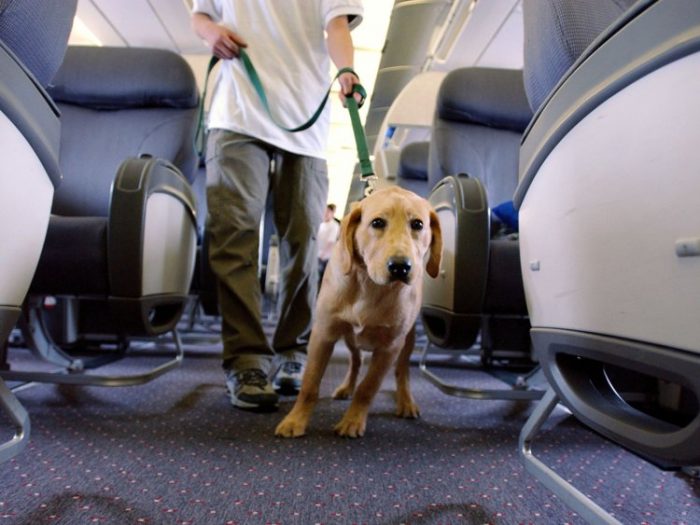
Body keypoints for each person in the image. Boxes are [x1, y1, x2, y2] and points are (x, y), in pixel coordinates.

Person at [191, 0, 364, 412]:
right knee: (234, 239)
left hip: (305, 119)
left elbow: (336, 25)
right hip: (236, 115)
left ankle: (294, 352)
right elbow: (201, 14)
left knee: (302, 242)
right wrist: (209, 33)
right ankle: (246, 360)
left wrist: (347, 70)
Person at [317, 203, 341, 285]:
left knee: (319, 279)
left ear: (332, 213)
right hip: (316, 254)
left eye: (328, 212)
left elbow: (331, 242)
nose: (326, 214)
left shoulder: (334, 226)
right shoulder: (321, 223)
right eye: (325, 211)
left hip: (324, 257)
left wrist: (323, 255)